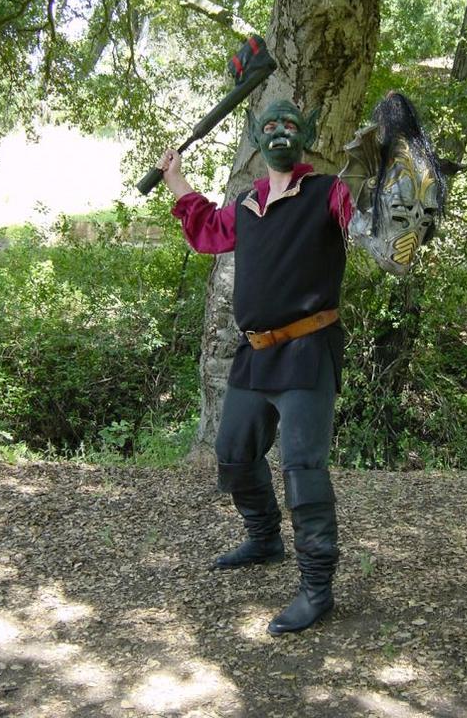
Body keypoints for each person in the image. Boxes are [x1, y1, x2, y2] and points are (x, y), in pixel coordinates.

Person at [159, 99, 352, 636]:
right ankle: (265, 539)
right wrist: (175, 178)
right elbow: (207, 229)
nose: (280, 131)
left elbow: (368, 226)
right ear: (257, 138)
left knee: (303, 469)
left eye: (290, 124)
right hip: (256, 352)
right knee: (234, 453)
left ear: (304, 133)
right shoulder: (248, 203)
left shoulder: (330, 192)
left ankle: (316, 589)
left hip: (308, 349)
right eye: (269, 125)